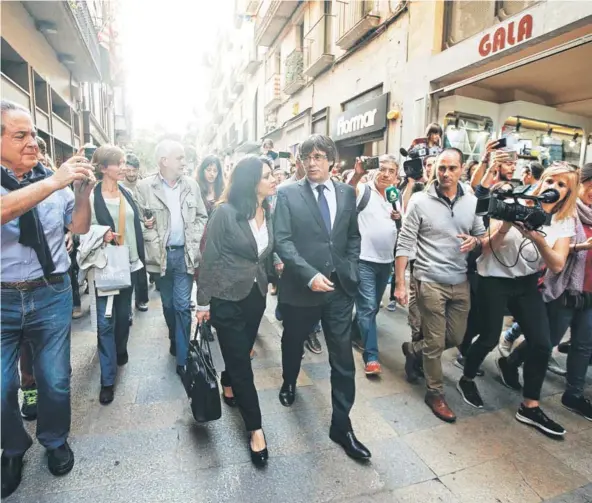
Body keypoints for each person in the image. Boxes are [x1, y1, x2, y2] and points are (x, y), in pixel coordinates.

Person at [1, 100, 95, 498]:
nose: (32, 143)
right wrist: (54, 183)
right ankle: (13, 447)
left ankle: (54, 440)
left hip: (51, 292)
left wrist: (83, 192)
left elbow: (78, 225)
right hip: (2, 299)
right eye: (20, 135)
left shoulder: (52, 180)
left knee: (55, 380)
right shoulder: (49, 181)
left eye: (34, 135)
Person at [458, 163, 578, 437]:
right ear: (541, 182)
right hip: (493, 279)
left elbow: (557, 264)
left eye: (562, 185)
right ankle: (467, 377)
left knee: (542, 343)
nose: (554, 188)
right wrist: (507, 224)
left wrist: (537, 239)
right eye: (550, 181)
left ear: (568, 193)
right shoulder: (517, 204)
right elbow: (486, 247)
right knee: (488, 338)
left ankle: (530, 405)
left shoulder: (564, 221)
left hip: (526, 284)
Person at [274, 134, 371, 460]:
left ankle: (341, 425)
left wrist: (351, 266)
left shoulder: (346, 192)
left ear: (332, 160)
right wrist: (309, 275)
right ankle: (289, 380)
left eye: (318, 156)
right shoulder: (287, 193)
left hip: (339, 289)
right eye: (306, 157)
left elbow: (352, 236)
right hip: (302, 288)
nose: (312, 162)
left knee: (343, 360)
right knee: (293, 341)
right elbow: (283, 242)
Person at [394, 148, 485, 423]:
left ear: (462, 169)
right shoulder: (420, 201)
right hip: (429, 279)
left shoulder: (472, 201)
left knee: (456, 338)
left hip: (460, 280)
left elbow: (481, 234)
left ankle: (413, 350)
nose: (445, 173)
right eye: (441, 168)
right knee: (434, 341)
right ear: (434, 169)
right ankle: (434, 392)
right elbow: (405, 242)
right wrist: (400, 282)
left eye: (452, 168)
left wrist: (476, 242)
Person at [196, 155, 276, 466]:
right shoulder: (224, 213)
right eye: (267, 175)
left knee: (239, 353)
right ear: (251, 181)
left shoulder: (267, 207)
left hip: (255, 296)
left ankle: (227, 380)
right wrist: (203, 303)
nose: (273, 179)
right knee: (243, 363)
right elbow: (209, 259)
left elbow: (264, 252)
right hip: (227, 299)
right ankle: (255, 428)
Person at [135, 140, 208, 377]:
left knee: (182, 306)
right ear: (163, 161)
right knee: (168, 306)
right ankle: (174, 336)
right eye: (180, 158)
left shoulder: (191, 186)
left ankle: (183, 357)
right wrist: (153, 242)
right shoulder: (145, 187)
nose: (184, 163)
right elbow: (139, 222)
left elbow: (201, 216)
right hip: (160, 258)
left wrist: (194, 241)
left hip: (185, 256)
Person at [85, 145, 147, 404]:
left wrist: (146, 224)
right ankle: (107, 379)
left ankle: (120, 349)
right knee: (105, 323)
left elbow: (136, 222)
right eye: (118, 163)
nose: (123, 167)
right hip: (104, 266)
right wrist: (102, 234)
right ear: (102, 168)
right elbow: (81, 228)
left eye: (124, 162)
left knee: (123, 317)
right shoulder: (89, 196)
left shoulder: (127, 192)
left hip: (128, 264)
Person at [542, 163, 592, 420]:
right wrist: (582, 246)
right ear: (580, 184)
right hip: (566, 288)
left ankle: (573, 394)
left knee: (583, 345)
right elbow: (556, 250)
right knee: (549, 339)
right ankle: (513, 361)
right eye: (591, 185)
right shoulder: (569, 213)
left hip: (590, 291)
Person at [348, 155, 399, 375]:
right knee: (368, 306)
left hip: (386, 261)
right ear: (375, 171)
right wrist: (358, 173)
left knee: (372, 306)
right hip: (364, 260)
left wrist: (398, 216)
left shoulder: (394, 196)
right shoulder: (364, 190)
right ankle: (371, 356)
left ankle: (352, 331)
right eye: (382, 169)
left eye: (391, 171)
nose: (386, 174)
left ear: (396, 176)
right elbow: (347, 192)